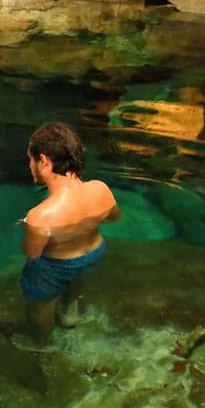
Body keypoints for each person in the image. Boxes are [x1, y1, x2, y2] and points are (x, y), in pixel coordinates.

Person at [19, 122, 121, 344]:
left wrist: (28, 228)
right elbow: (113, 217)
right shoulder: (100, 188)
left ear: (44, 161)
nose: (29, 165)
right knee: (76, 272)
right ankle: (69, 313)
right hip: (94, 252)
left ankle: (42, 345)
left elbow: (32, 252)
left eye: (31, 159)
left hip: (57, 265)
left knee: (40, 306)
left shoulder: (41, 216)